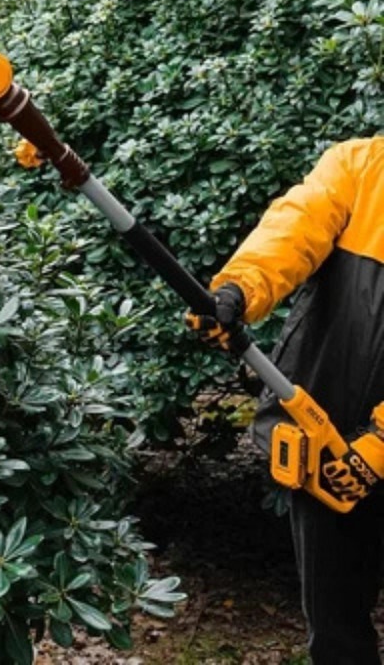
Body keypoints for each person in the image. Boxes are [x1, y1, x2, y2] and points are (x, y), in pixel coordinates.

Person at [186, 135, 384, 665]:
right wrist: (236, 292)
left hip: (364, 447)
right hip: (327, 440)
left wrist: (379, 446)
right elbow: (293, 227)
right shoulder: (360, 165)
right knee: (336, 627)